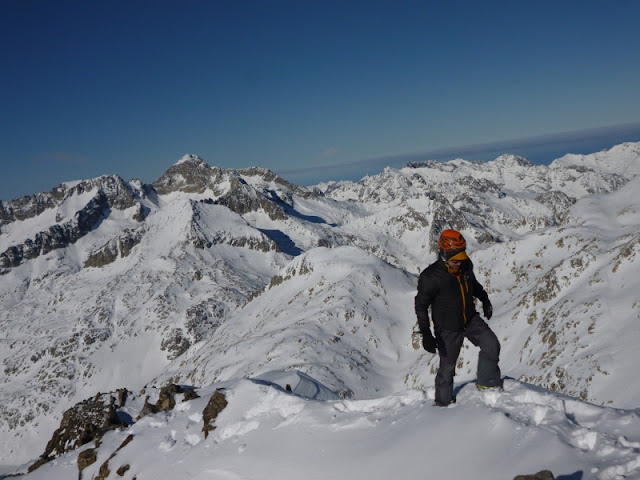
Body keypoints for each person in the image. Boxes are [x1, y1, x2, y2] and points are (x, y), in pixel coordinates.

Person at [415, 229, 502, 406]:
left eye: (462, 257)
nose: (459, 263)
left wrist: (484, 300)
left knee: (491, 345)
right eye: (456, 259)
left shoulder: (465, 264)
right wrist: (426, 333)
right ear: (445, 253)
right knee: (447, 369)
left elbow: (473, 284)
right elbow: (421, 306)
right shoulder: (431, 277)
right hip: (448, 329)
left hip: (470, 319)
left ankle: (487, 385)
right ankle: (443, 404)